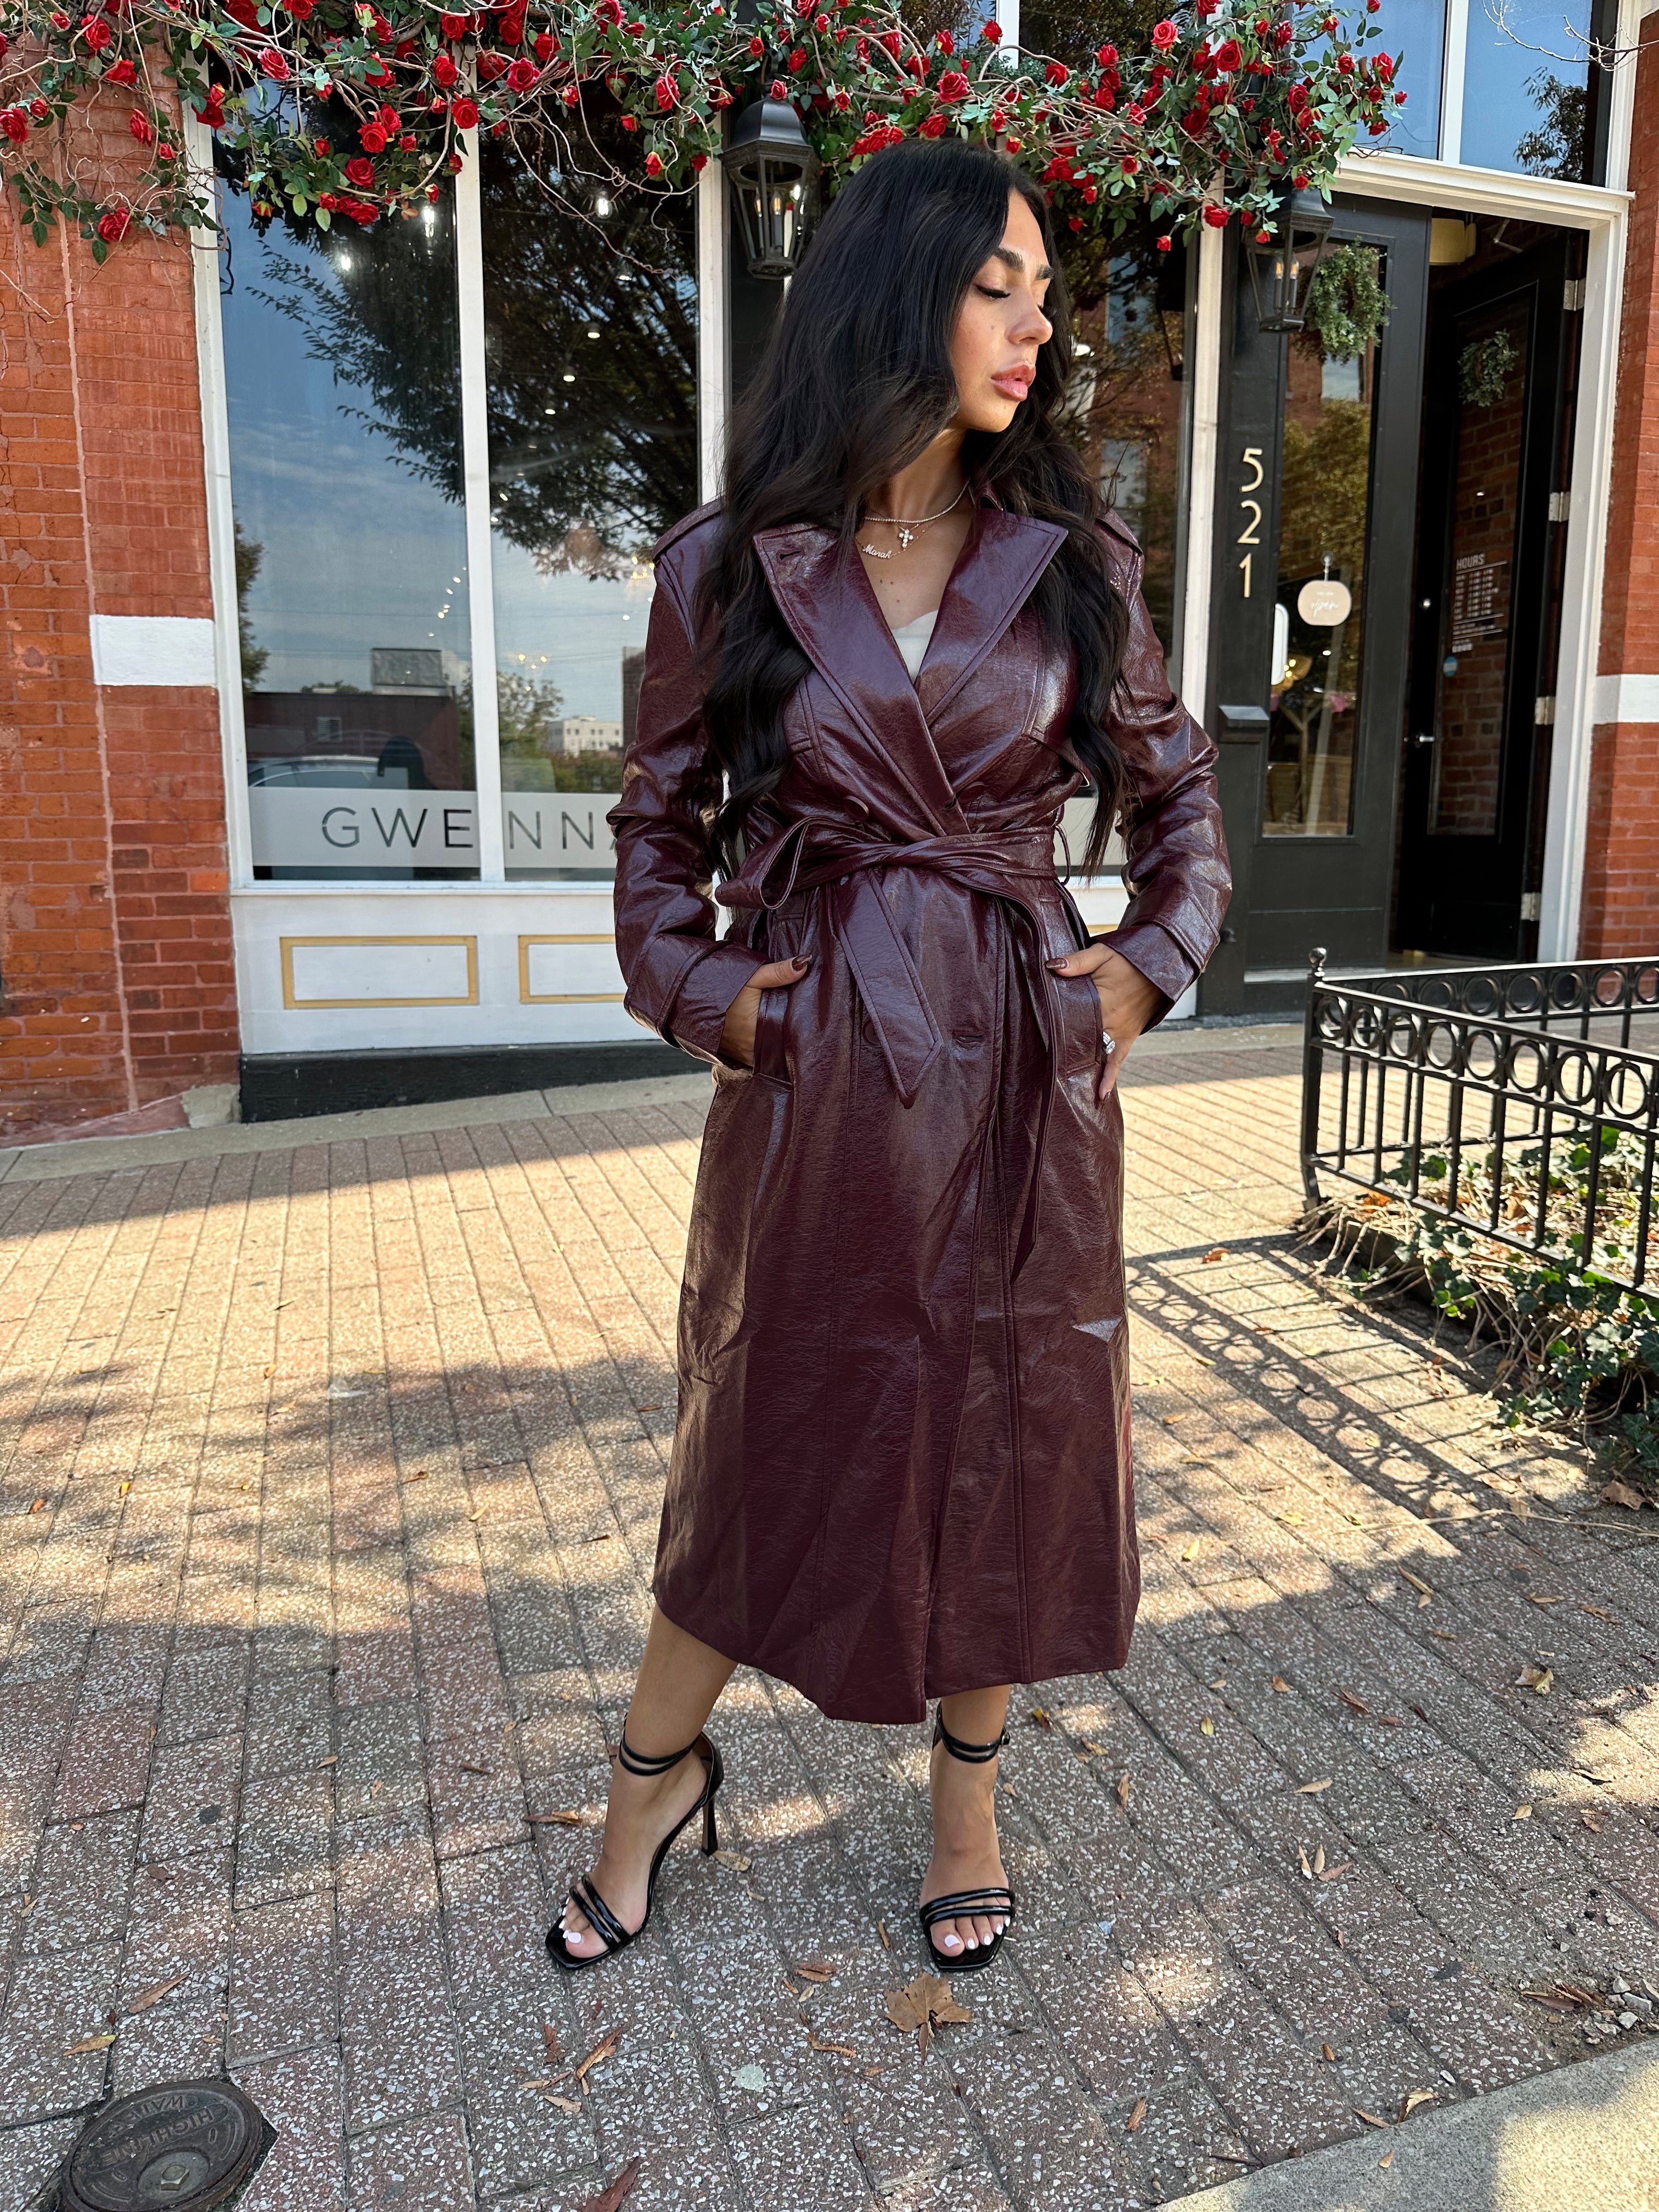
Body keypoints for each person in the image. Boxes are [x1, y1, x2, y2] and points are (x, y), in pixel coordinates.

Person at [549, 136, 1229, 1977]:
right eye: (999, 286)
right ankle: (650, 1781)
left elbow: (1182, 804)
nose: (1037, 330)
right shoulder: (729, 565)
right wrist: (726, 1002)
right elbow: (655, 834)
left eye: (1046, 298)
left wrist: (1134, 979)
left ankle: (967, 1805)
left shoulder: (1074, 561)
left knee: (1006, 1425)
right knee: (762, 1421)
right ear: (895, 289)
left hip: (1016, 1063)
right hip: (823, 1066)